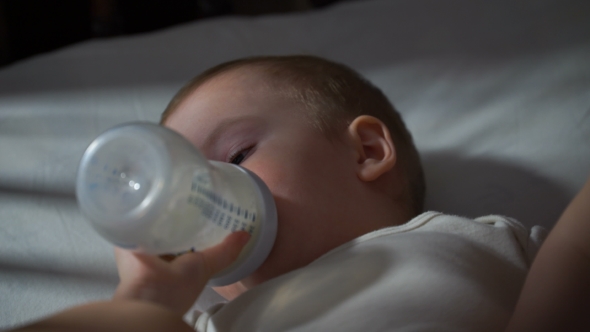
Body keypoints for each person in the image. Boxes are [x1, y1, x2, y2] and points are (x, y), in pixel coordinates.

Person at [12, 56, 590, 331]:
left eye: (236, 157)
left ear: (365, 153)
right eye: (181, 191)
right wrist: (149, 299)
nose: (200, 199)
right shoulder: (212, 319)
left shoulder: (466, 241)